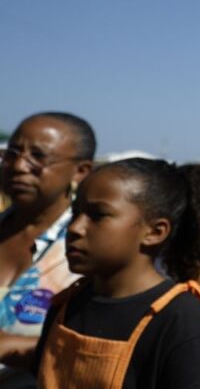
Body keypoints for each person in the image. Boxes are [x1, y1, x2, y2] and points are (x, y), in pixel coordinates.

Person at [24, 158, 200, 388]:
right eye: (75, 213)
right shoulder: (66, 304)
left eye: (98, 215)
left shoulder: (178, 315)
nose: (75, 228)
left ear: (155, 232)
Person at [0, 112, 95, 388]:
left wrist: (13, 346)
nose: (19, 165)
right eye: (13, 153)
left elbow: (105, 347)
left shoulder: (92, 253)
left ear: (81, 171)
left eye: (38, 156)